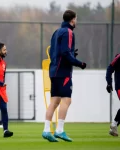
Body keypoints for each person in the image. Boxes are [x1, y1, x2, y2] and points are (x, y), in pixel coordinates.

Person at [42, 10, 87, 142]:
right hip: (63, 72)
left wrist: (72, 55)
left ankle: (46, 130)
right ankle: (60, 130)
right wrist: (79, 63)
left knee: (54, 101)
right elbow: (65, 53)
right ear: (72, 20)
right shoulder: (68, 32)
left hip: (53, 70)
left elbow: (55, 51)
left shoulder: (56, 32)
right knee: (66, 100)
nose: (76, 21)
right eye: (76, 19)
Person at [106, 53, 120, 137]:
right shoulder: (119, 57)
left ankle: (113, 127)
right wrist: (109, 83)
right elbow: (110, 68)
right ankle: (114, 125)